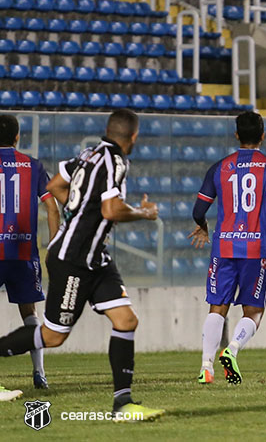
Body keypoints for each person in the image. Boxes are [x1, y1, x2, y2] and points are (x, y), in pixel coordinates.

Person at [0, 109, 164, 421]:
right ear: (133, 136)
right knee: (52, 336)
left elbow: (56, 185)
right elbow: (111, 210)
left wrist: (76, 211)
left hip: (95, 258)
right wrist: (144, 214)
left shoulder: (89, 153)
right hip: (74, 259)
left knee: (126, 321)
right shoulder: (116, 161)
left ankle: (123, 404)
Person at [189, 111, 266, 385]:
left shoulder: (219, 167)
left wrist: (203, 226)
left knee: (217, 307)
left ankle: (205, 367)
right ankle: (232, 349)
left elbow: (199, 209)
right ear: (263, 135)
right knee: (253, 312)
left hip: (223, 246)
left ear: (236, 135)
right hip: (255, 249)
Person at [0, 114, 60, 389]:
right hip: (24, 252)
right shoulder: (33, 165)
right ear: (17, 137)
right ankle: (39, 373)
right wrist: (53, 244)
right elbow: (51, 206)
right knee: (30, 311)